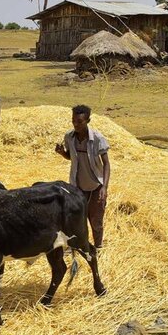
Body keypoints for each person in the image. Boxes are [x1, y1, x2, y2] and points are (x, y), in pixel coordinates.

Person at [55, 104, 111, 248]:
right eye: (73, 121)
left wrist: (104, 187)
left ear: (88, 121)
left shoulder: (98, 139)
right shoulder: (69, 137)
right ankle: (79, 246)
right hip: (77, 188)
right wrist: (62, 153)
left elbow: (106, 164)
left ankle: (98, 248)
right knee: (76, 220)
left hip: (95, 187)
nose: (76, 124)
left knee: (96, 222)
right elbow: (71, 157)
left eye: (79, 122)